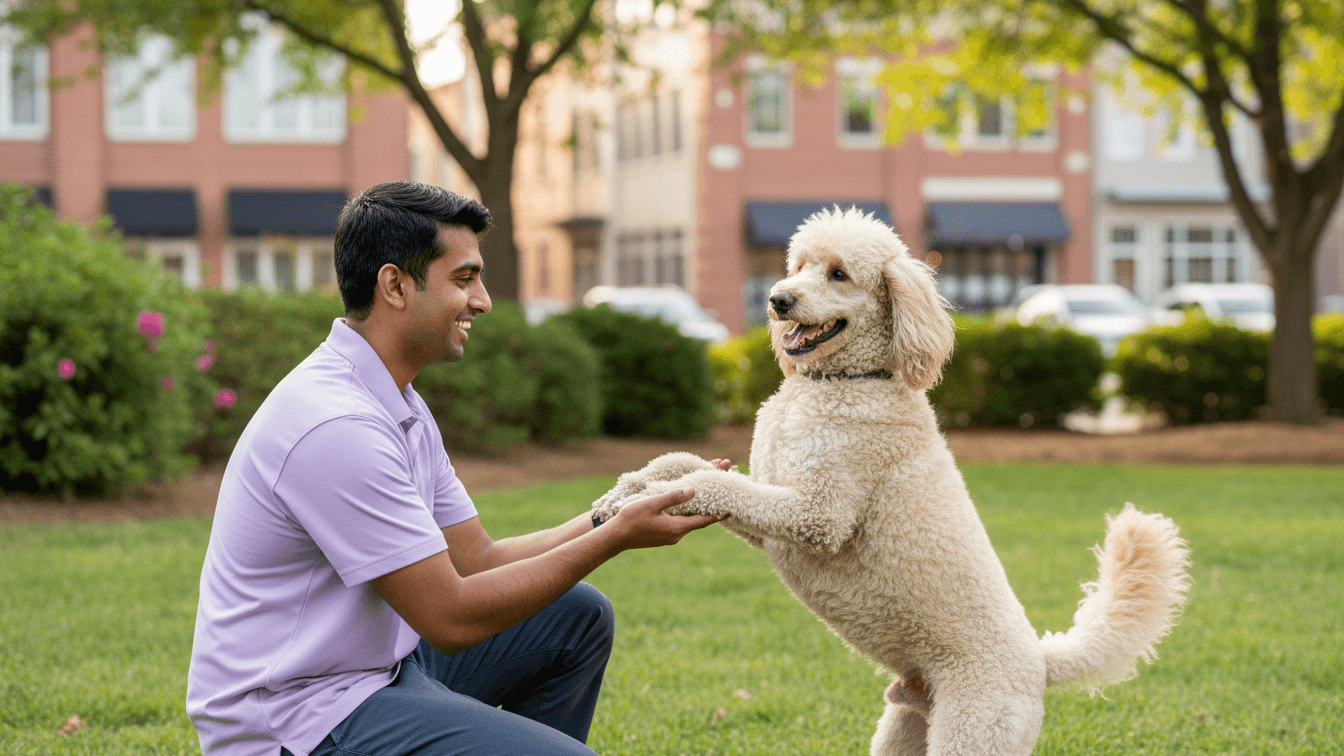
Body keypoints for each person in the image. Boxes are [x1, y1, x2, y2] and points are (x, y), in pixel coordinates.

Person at [186, 180, 723, 756]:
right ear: (394, 285)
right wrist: (616, 538)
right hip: (296, 715)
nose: (484, 301)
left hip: (374, 673)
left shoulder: (396, 402)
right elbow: (452, 617)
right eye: (464, 279)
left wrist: (612, 512)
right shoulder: (336, 426)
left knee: (576, 617)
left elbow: (477, 561)